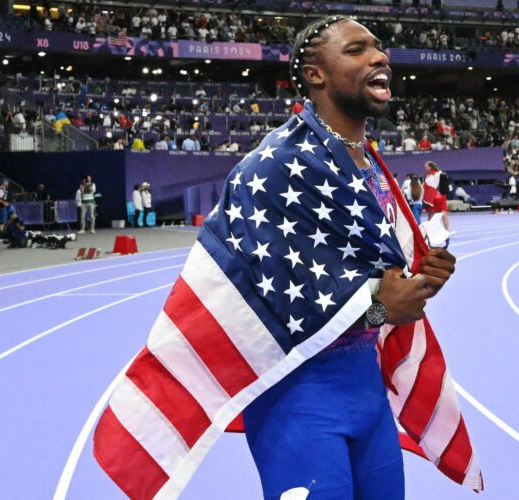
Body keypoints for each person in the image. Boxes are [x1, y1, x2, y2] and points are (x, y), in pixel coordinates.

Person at [92, 15, 481, 500]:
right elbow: (287, 311)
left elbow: (373, 281)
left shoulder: (372, 166)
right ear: (316, 74)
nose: (380, 57)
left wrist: (421, 281)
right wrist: (387, 307)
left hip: (367, 394)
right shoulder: (274, 167)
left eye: (379, 48)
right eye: (358, 50)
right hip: (298, 397)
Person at [423, 161, 450, 230]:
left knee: (431, 215)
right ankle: (446, 230)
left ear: (431, 166)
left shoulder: (429, 175)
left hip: (433, 197)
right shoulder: (440, 173)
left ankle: (430, 231)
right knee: (444, 214)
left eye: (427, 167)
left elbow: (427, 187)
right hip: (440, 196)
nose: (426, 168)